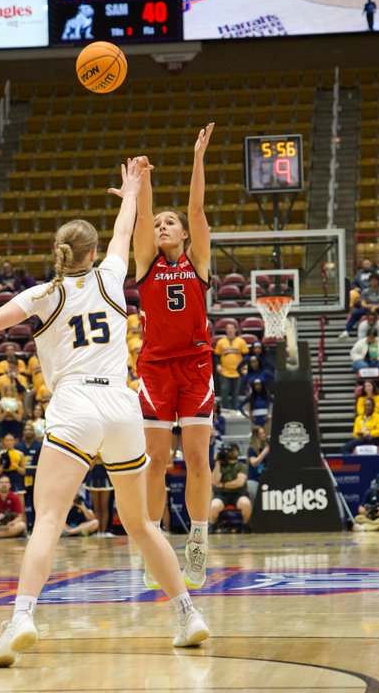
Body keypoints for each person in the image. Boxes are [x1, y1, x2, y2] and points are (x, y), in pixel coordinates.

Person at [0, 156, 208, 667]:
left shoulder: (41, 294)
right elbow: (124, 231)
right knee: (141, 525)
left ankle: (23, 617)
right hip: (122, 407)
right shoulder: (111, 275)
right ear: (93, 252)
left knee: (48, 518)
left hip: (75, 405)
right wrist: (134, 188)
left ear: (58, 252)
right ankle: (188, 613)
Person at [132, 124, 219, 590]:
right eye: (160, 222)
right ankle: (155, 548)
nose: (163, 225)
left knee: (199, 458)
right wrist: (143, 179)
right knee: (156, 461)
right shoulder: (146, 263)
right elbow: (142, 220)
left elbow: (197, 208)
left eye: (171, 223)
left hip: (197, 365)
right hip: (155, 369)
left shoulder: (197, 262)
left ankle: (198, 545)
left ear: (184, 234)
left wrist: (197, 158)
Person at [209, 443, 251, 530]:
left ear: (238, 452)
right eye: (230, 450)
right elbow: (214, 481)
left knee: (246, 504)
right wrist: (217, 463)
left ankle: (245, 526)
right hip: (221, 495)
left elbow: (239, 483)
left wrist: (223, 485)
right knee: (214, 506)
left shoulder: (242, 466)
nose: (232, 452)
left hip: (238, 494)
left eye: (234, 450)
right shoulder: (220, 466)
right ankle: (212, 527)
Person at [214, 322, 247, 411]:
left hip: (238, 371)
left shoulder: (241, 341)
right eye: (228, 328)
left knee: (235, 392)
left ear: (235, 330)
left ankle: (234, 410)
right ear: (226, 330)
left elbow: (246, 356)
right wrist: (218, 365)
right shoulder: (221, 342)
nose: (230, 330)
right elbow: (216, 356)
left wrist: (245, 368)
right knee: (224, 391)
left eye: (232, 328)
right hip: (225, 371)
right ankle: (225, 410)